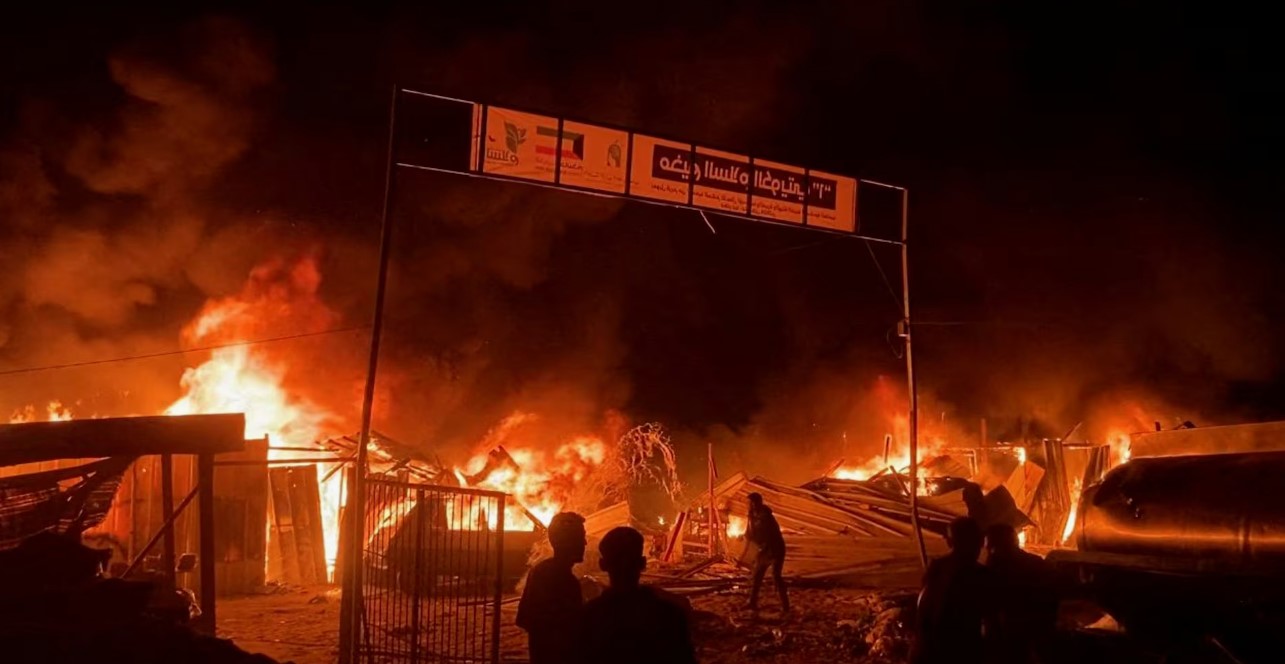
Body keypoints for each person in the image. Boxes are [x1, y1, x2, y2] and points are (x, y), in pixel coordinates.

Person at [578, 527, 696, 664]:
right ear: (643, 563)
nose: (623, 567)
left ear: (602, 565)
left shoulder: (589, 618)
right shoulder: (670, 615)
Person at [911, 516, 990, 664]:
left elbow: (922, 610)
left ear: (949, 542)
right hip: (961, 650)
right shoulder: (980, 575)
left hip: (937, 649)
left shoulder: (938, 569)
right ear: (981, 542)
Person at [517, 512, 587, 664]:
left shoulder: (541, 572)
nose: (585, 543)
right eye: (581, 537)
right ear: (568, 541)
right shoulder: (563, 580)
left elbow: (524, 618)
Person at [985, 523, 1058, 663]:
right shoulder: (1036, 563)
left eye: (990, 543)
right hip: (1031, 631)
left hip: (1012, 632)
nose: (987, 547)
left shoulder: (995, 568)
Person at [745, 492, 789, 615]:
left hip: (775, 549)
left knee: (776, 576)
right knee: (757, 576)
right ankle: (752, 602)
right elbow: (750, 533)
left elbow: (769, 534)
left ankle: (786, 606)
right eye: (748, 503)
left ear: (757, 503)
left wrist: (760, 543)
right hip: (763, 550)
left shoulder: (766, 516)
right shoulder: (752, 516)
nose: (749, 505)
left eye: (751, 502)